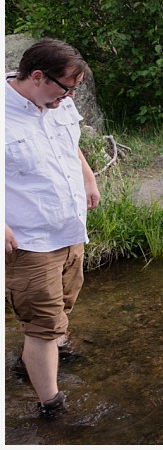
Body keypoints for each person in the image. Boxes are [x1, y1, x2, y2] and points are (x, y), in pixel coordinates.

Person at [5, 38, 101, 418]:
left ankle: (35, 356)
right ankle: (52, 407)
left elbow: (70, 143)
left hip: (69, 227)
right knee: (43, 322)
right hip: (30, 240)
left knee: (63, 303)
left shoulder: (59, 99)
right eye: (67, 88)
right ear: (38, 76)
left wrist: (89, 176)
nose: (71, 96)